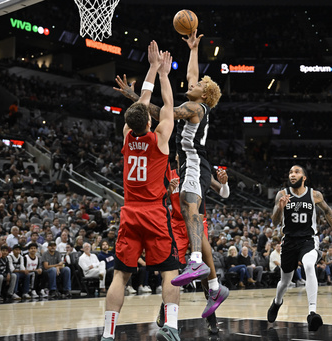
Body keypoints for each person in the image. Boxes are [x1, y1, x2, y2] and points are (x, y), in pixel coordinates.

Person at [114, 30, 222, 286]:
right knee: (190, 211)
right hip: (188, 164)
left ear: (204, 95)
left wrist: (135, 98)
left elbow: (167, 113)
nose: (191, 84)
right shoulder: (197, 98)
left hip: (195, 162)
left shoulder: (196, 107)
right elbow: (192, 75)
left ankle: (196, 263)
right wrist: (194, 49)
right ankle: (214, 287)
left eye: (197, 86)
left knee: (189, 208)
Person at [101, 42, 180, 341]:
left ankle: (108, 334)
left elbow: (142, 102)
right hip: (155, 214)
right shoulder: (160, 139)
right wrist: (163, 73)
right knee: (169, 271)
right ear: (149, 121)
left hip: (130, 212)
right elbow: (169, 107)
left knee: (120, 274)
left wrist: (150, 68)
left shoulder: (125, 135)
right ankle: (170, 325)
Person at [267, 165, 332, 332]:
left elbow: (328, 211)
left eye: (296, 172)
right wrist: (280, 208)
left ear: (304, 177)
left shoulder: (314, 195)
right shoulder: (282, 194)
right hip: (288, 241)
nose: (292, 175)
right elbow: (274, 222)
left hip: (308, 240)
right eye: (290, 172)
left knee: (309, 265)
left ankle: (312, 312)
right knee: (285, 282)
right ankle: (277, 302)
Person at [159, 157, 230, 333]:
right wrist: (168, 191)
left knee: (205, 270)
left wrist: (224, 183)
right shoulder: (169, 172)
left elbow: (224, 193)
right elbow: (159, 197)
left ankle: (211, 318)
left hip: (198, 221)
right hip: (176, 223)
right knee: (171, 268)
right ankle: (164, 308)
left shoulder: (199, 171)